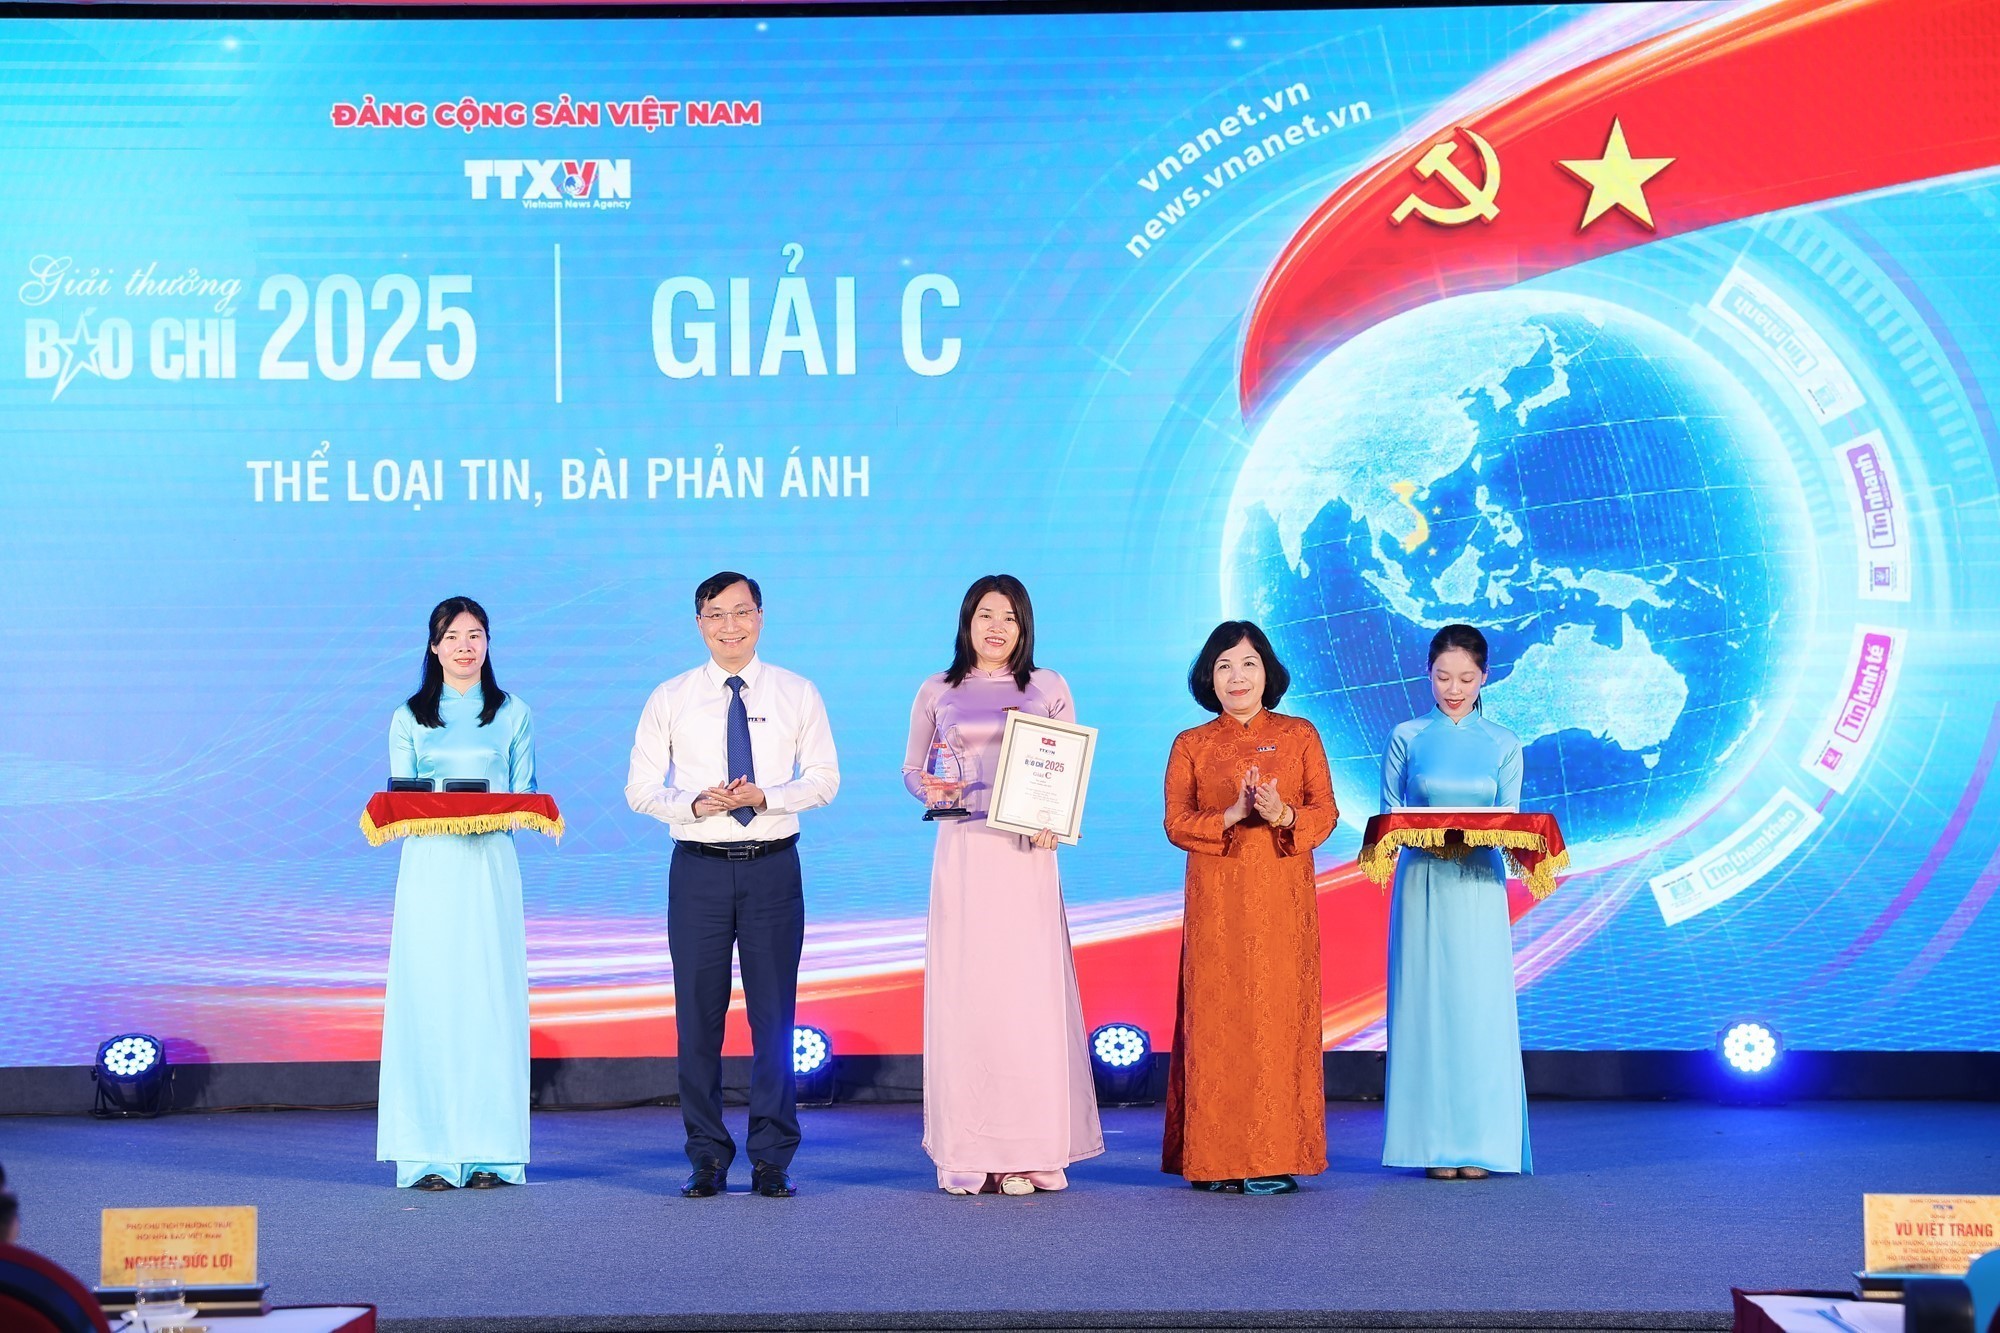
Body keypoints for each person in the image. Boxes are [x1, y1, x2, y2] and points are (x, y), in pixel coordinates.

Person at [626, 572, 839, 1199]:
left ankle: (772, 1158)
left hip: (773, 866)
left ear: (761, 617)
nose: (730, 626)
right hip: (699, 869)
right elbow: (640, 789)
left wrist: (766, 797)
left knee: (775, 1019)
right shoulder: (670, 696)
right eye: (716, 615)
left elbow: (824, 779)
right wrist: (693, 804)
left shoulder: (797, 691)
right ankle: (707, 1156)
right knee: (698, 1020)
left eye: (741, 612)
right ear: (699, 624)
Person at [901, 575, 1103, 1195]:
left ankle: (1029, 1151)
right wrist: (929, 789)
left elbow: (1068, 770)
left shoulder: (1048, 686)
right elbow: (912, 768)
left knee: (1026, 1001)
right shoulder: (937, 689)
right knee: (969, 998)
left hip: (1026, 857)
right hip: (964, 851)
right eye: (986, 615)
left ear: (1025, 627)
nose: (996, 627)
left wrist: (1055, 820)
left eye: (1010, 618)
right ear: (967, 621)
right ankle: (968, 1150)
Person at [1160, 621, 1337, 1194]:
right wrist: (1232, 816)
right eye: (1224, 666)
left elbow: (1326, 814)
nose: (1237, 677)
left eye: (1248, 664)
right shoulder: (1191, 743)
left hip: (1283, 904)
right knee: (1218, 1022)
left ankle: (1273, 1157)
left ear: (1268, 672)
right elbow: (1175, 823)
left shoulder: (1299, 735)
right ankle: (1216, 1160)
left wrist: (1284, 815)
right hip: (1216, 906)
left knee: (1279, 1020)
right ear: (1208, 678)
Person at [378, 596, 537, 1191]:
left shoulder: (513, 712)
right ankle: (428, 1155)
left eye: (475, 635)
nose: (465, 646)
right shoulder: (409, 716)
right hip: (430, 866)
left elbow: (525, 792)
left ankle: (493, 1152)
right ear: (434, 647)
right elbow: (400, 796)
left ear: (489, 643)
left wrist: (493, 810)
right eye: (452, 637)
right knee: (430, 996)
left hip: (490, 864)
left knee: (489, 998)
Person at [1379, 623, 1531, 1180]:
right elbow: (1388, 819)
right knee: (1425, 1004)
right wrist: (1425, 837)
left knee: (1478, 1006)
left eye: (1466, 678)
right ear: (1428, 674)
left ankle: (1481, 1142)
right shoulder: (1406, 736)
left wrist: (1481, 838)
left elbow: (1511, 821)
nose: (1454, 689)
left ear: (1484, 677)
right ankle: (1433, 1144)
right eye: (1443, 677)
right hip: (1422, 880)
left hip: (1479, 884)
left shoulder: (1504, 743)